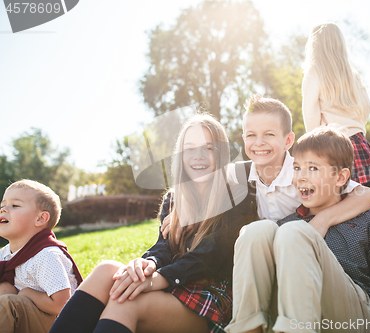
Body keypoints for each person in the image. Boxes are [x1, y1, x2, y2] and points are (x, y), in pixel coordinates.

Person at [49, 113, 258, 333]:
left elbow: (211, 255)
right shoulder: (175, 199)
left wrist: (160, 278)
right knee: (106, 270)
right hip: (174, 284)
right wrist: (149, 263)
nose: (198, 156)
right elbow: (163, 247)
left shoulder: (237, 194)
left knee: (126, 300)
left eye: (209, 148)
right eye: (189, 148)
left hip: (210, 295)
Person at [226, 127, 370, 333]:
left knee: (294, 232)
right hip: (291, 309)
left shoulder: (367, 222)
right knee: (257, 231)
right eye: (297, 168)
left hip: (352, 316)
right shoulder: (286, 225)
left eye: (313, 168)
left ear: (340, 177)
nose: (301, 177)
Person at [226, 94, 370, 238]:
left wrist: (323, 219)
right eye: (251, 135)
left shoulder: (303, 172)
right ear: (244, 138)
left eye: (269, 134)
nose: (259, 142)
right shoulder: (239, 172)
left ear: (288, 141)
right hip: (267, 247)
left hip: (303, 244)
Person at [301, 22, 370, 192]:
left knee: (337, 195)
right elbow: (366, 106)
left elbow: (310, 112)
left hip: (332, 143)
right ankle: (369, 220)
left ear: (314, 45)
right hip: (358, 140)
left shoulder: (314, 72)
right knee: (362, 194)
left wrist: (315, 140)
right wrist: (357, 124)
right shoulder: (352, 73)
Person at [0, 179, 82, 333]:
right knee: (4, 290)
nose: (3, 209)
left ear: (40, 219)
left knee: (7, 303)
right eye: (2, 205)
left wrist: (26, 293)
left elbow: (62, 305)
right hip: (29, 317)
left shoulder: (46, 255)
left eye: (15, 205)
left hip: (59, 324)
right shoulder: (4, 254)